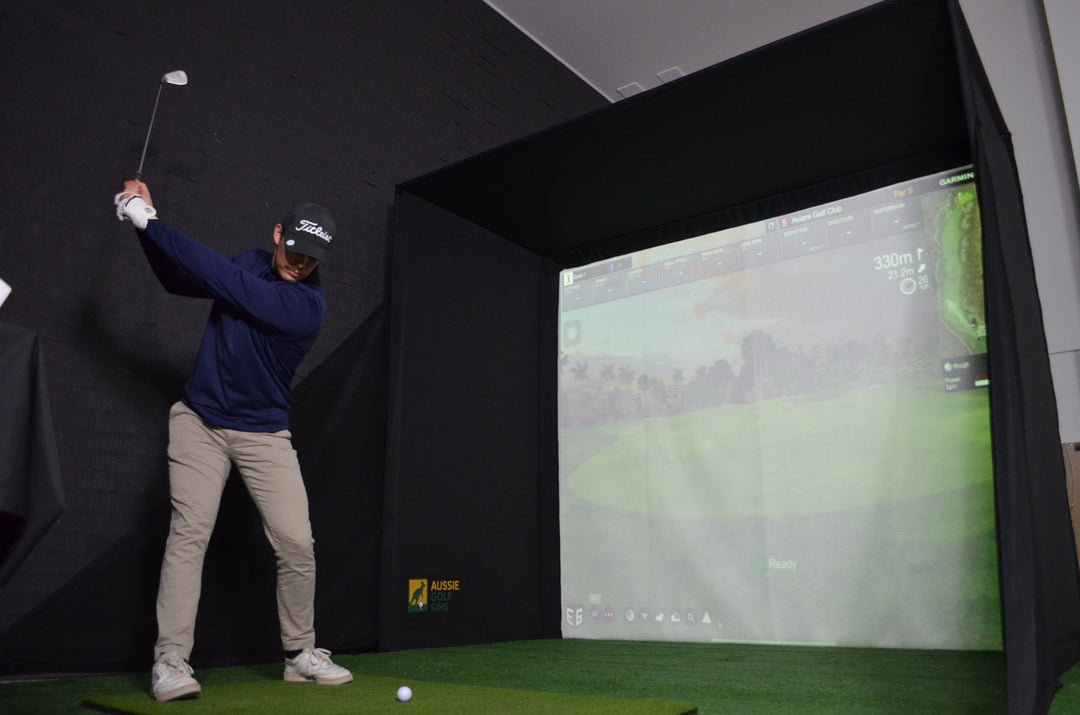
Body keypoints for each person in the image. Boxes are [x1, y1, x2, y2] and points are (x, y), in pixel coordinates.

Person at [114, 181, 353, 702]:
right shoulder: (249, 262)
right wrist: (143, 231)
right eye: (294, 251)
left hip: (264, 433)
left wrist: (150, 220)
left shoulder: (306, 305)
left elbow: (222, 279)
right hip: (199, 422)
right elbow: (181, 279)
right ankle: (170, 661)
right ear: (278, 235)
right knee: (189, 532)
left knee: (296, 542)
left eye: (312, 260)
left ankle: (299, 654)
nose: (300, 265)